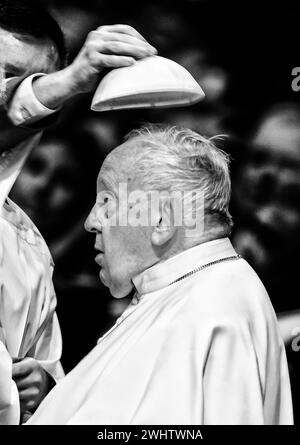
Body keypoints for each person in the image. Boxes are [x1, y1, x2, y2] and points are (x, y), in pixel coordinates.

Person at [28, 125, 293, 424]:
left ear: (162, 220)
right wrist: (54, 400)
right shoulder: (189, 293)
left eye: (106, 201)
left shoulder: (213, 308)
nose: (91, 221)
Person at [0, 0, 155, 424]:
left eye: (32, 82)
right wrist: (68, 80)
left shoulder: (29, 252)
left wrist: (46, 389)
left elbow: (52, 393)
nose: (16, 95)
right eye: (6, 75)